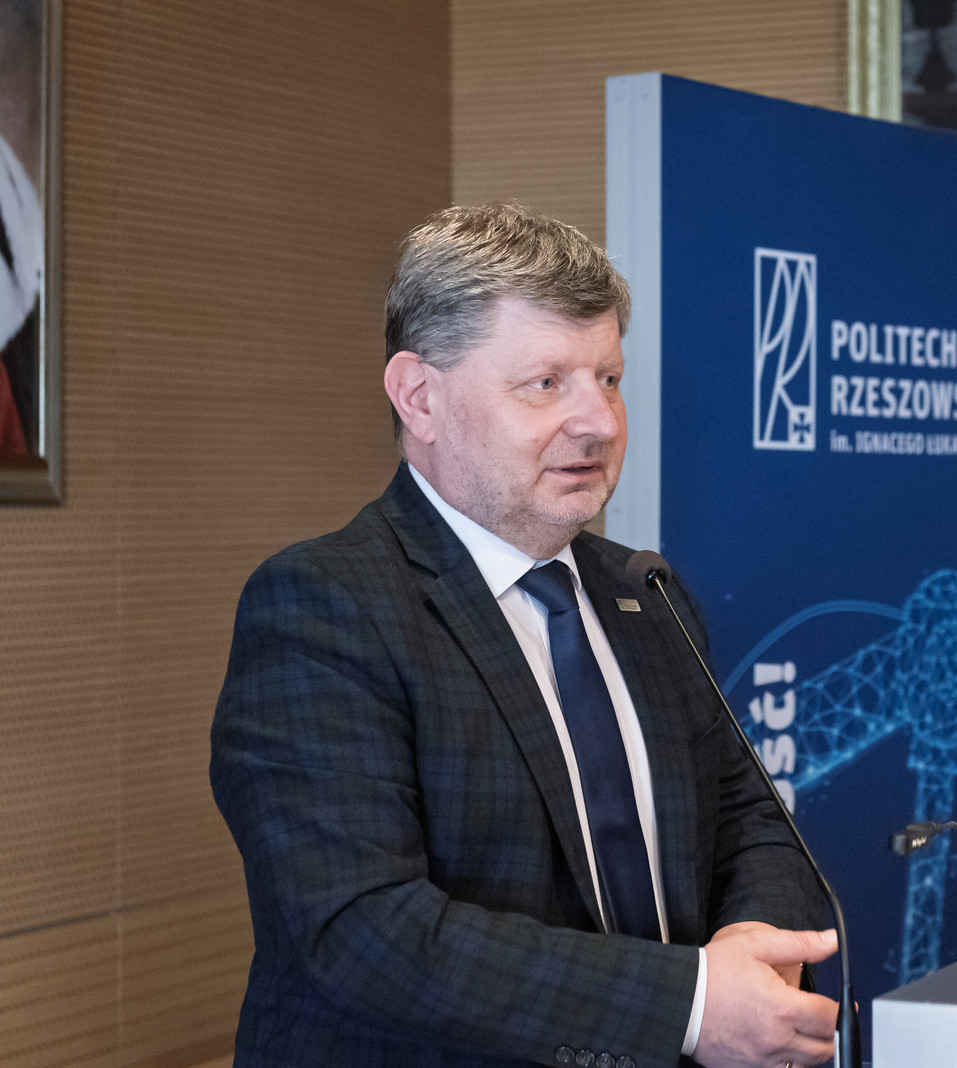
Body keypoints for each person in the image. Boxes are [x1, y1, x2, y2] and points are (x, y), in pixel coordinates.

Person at [211, 204, 839, 1068]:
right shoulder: (323, 606)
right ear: (420, 397)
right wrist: (692, 1004)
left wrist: (752, 953)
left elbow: (750, 817)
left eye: (608, 379)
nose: (600, 422)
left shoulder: (643, 591)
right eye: (546, 383)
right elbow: (363, 929)